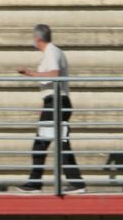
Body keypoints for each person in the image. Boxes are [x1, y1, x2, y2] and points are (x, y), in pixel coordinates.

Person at [16, 24, 85, 193]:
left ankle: (36, 183)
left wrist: (31, 74)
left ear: (38, 39)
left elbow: (55, 74)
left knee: (42, 144)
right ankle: (74, 182)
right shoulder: (53, 52)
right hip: (54, 102)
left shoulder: (51, 52)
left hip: (56, 102)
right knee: (57, 143)